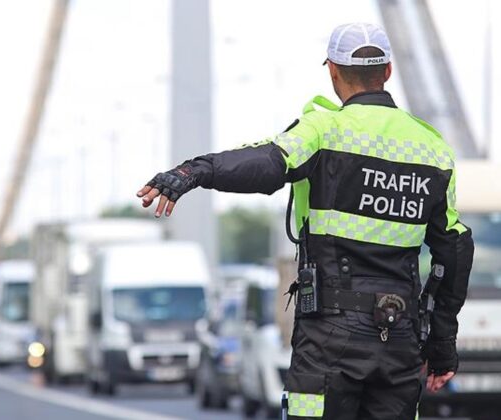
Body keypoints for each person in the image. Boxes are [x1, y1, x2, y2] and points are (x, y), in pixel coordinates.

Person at [137, 23, 474, 419]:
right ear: (387, 72)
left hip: (330, 339)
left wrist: (193, 172)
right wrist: (441, 346)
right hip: (399, 337)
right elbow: (454, 251)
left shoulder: (323, 130)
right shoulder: (433, 150)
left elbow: (264, 163)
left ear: (333, 70)